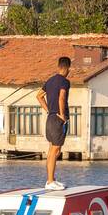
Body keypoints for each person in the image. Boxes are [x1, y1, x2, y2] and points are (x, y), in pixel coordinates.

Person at [36, 55, 71, 189]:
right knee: (54, 150)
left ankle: (51, 179)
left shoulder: (50, 81)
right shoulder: (64, 81)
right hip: (57, 120)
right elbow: (62, 98)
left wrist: (49, 110)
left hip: (50, 118)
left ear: (58, 66)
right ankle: (50, 181)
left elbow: (39, 96)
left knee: (53, 150)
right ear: (68, 68)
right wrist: (62, 115)